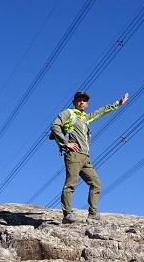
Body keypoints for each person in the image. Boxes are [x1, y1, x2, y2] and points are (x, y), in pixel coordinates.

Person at [51, 90, 129, 223]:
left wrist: (117, 104)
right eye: (79, 100)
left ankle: (92, 214)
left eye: (84, 100)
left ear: (87, 104)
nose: (82, 102)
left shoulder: (85, 118)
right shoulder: (68, 113)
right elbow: (55, 126)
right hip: (74, 155)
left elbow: (100, 112)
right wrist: (66, 143)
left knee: (96, 183)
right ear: (74, 102)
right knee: (70, 184)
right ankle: (67, 214)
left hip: (85, 157)